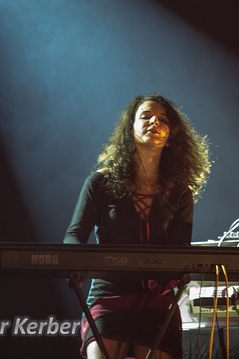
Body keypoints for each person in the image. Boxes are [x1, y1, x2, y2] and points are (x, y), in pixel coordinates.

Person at [64, 93, 211, 359]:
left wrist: (166, 278)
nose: (154, 122)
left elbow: (180, 249)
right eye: (146, 116)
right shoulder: (100, 183)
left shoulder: (180, 193)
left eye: (163, 119)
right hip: (109, 295)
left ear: (170, 136)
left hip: (157, 301)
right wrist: (75, 261)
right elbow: (74, 235)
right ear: (130, 128)